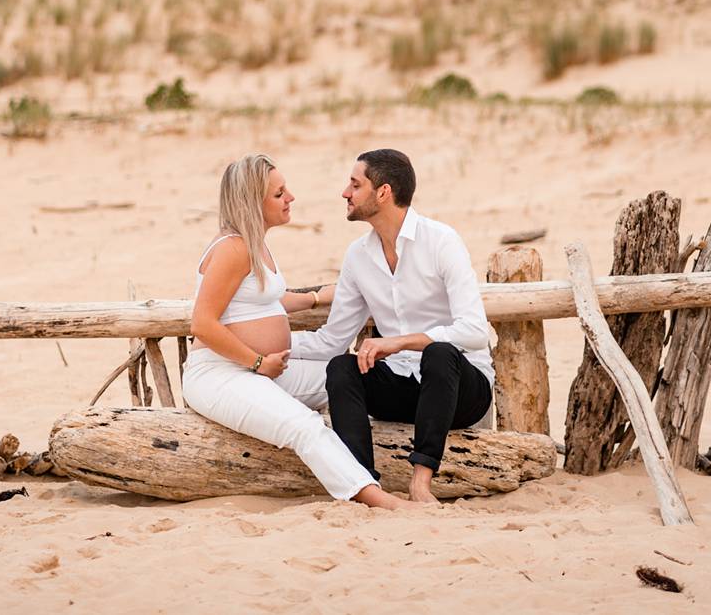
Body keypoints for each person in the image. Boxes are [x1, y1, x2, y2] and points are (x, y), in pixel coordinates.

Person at [182, 153, 410, 510]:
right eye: (279, 193)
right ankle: (374, 497)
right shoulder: (233, 248)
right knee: (303, 426)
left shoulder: (254, 245)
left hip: (262, 369)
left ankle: (391, 457)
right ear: (251, 201)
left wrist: (319, 297)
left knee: (349, 380)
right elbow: (202, 323)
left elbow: (262, 301)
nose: (290, 198)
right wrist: (257, 362)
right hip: (221, 373)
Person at [289, 149, 494, 504]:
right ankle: (362, 484)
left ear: (382, 192)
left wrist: (398, 343)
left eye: (355, 184)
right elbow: (332, 341)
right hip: (403, 388)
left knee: (440, 353)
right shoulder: (358, 256)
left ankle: (421, 483)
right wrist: (267, 345)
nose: (345, 193)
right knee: (342, 368)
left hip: (461, 390)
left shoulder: (441, 241)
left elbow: (474, 330)